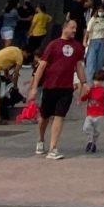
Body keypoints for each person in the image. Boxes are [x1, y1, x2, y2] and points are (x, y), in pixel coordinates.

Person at [32, 17, 84, 159]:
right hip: (50, 86)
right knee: (44, 117)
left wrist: (83, 83)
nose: (74, 30)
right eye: (72, 27)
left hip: (66, 87)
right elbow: (42, 65)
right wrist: (34, 86)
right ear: (65, 28)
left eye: (75, 28)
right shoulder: (53, 45)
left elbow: (78, 65)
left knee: (60, 116)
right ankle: (41, 139)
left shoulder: (78, 46)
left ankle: (53, 148)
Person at [0, 41, 27, 125]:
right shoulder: (20, 57)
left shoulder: (14, 49)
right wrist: (15, 87)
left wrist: (8, 76)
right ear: (25, 52)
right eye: (27, 55)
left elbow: (5, 65)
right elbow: (16, 74)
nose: (26, 57)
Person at [83, 2, 104, 82]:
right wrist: (84, 41)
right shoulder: (93, 19)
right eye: (99, 11)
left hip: (102, 42)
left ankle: (97, 81)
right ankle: (89, 82)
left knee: (99, 62)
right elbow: (88, 31)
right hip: (93, 41)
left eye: (102, 11)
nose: (101, 13)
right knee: (91, 62)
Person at [82, 73, 104, 154]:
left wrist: (90, 91)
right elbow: (83, 98)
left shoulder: (102, 89)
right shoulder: (91, 89)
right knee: (86, 128)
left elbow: (98, 96)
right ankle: (90, 141)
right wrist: (86, 92)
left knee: (97, 131)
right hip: (90, 113)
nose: (96, 82)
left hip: (99, 114)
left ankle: (94, 143)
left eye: (99, 81)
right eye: (95, 80)